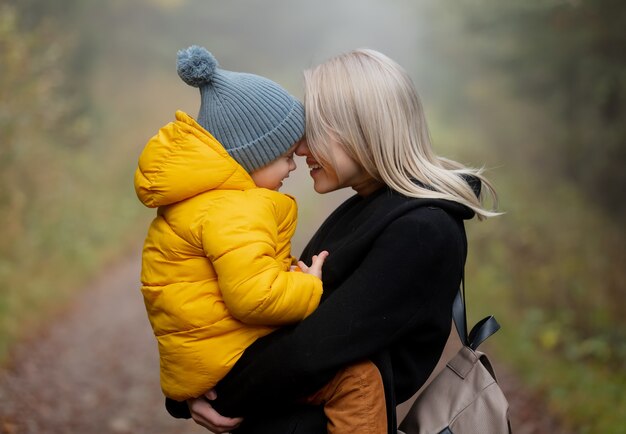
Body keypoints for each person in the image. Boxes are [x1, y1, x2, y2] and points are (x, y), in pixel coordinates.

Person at [167, 48, 500, 434]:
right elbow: (274, 318)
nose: (302, 148)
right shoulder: (369, 207)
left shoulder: (422, 231)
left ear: (361, 129)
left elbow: (309, 352)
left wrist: (214, 393)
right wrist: (191, 385)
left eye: (316, 130)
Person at [135, 46, 388, 434]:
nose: (295, 163)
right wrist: (307, 287)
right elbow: (255, 297)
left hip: (206, 357)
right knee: (357, 380)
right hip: (232, 356)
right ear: (252, 157)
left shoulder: (201, 202)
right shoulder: (235, 210)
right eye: (286, 155)